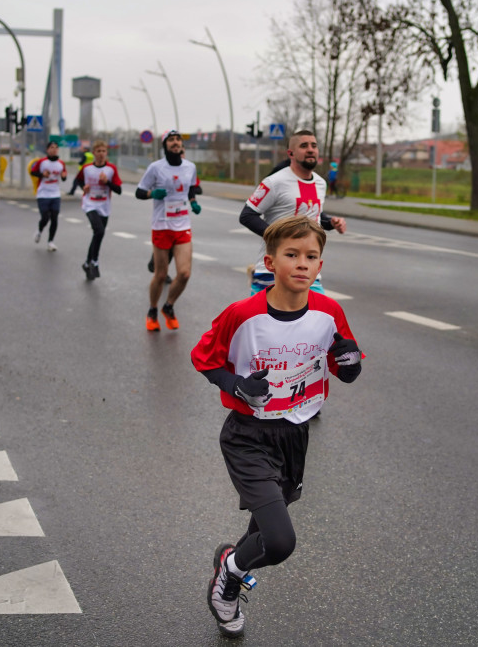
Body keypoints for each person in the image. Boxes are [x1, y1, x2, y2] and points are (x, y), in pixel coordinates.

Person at [191, 215, 363, 638]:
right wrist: (235, 384)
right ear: (270, 262)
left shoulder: (329, 311)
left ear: (320, 266)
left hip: (294, 435)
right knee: (281, 542)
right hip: (247, 436)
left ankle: (230, 564)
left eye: (311, 257)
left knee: (263, 532)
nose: (302, 264)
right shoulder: (243, 314)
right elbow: (204, 357)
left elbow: (346, 367)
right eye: (292, 255)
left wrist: (350, 362)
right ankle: (229, 578)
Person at [240, 130, 347, 295]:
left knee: (319, 317)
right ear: (291, 153)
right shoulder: (274, 182)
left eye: (314, 145)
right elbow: (247, 215)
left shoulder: (320, 183)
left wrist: (331, 222)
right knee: (267, 320)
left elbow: (314, 215)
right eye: (304, 146)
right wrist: (278, 237)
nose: (310, 149)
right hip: (273, 271)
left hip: (308, 272)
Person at [136, 129, 202, 331]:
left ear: (182, 146)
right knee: (161, 274)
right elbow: (139, 192)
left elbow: (191, 187)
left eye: (178, 140)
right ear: (165, 145)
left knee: (184, 274)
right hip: (162, 225)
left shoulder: (190, 167)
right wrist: (151, 193)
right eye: (171, 140)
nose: (175, 143)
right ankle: (153, 310)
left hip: (182, 224)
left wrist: (193, 201)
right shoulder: (156, 168)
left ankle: (169, 306)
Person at [71, 140, 122, 280]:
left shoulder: (111, 169)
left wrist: (107, 182)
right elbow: (78, 179)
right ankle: (95, 261)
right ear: (94, 153)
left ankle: (87, 263)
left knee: (97, 235)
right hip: (90, 204)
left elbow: (119, 190)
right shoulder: (87, 168)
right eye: (98, 151)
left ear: (106, 153)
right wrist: (83, 188)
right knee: (99, 231)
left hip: (104, 206)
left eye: (103, 151)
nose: (101, 154)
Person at [29, 140, 67, 251]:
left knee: (54, 217)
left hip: (55, 194)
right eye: (51, 147)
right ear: (47, 149)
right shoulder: (42, 162)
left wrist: (64, 176)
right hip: (43, 193)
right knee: (45, 217)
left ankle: (51, 242)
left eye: (56, 147)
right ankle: (39, 231)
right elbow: (32, 172)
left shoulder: (61, 163)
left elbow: (64, 177)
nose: (54, 149)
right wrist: (42, 174)